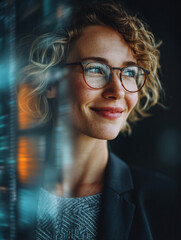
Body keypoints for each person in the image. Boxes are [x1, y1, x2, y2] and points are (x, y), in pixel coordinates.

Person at [18, 1, 178, 239]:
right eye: (95, 69)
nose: (117, 90)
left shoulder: (168, 202)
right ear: (51, 82)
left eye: (130, 72)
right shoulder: (8, 194)